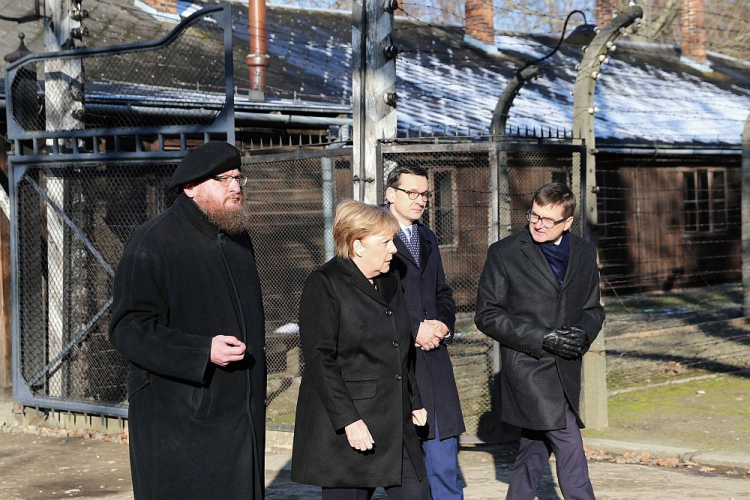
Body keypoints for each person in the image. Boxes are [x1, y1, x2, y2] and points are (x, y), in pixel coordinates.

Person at [109, 141, 266, 499]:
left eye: (238, 178)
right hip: (179, 422)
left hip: (240, 417)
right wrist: (201, 351)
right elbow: (127, 329)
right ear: (191, 187)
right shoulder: (153, 241)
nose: (236, 187)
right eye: (222, 179)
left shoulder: (238, 238)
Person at [292, 200, 431, 500]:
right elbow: (320, 360)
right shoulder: (325, 284)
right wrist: (349, 421)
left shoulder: (390, 280)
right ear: (357, 246)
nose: (394, 249)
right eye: (385, 242)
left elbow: (400, 348)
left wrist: (414, 400)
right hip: (354, 429)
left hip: (397, 422)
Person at [474, 182, 604, 500]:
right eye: (534, 214)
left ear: (568, 222)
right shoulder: (504, 253)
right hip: (528, 367)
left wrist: (584, 333)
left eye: (548, 220)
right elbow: (487, 315)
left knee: (534, 449)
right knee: (568, 441)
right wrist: (542, 337)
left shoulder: (585, 252)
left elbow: (593, 310)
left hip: (566, 367)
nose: (538, 224)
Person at [384, 165, 465, 499]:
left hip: (434, 358)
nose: (421, 201)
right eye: (412, 193)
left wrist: (443, 324)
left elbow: (442, 292)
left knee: (445, 456)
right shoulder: (375, 235)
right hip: (395, 359)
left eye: (426, 195)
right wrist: (413, 329)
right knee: (403, 467)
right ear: (390, 194)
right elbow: (373, 301)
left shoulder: (427, 236)